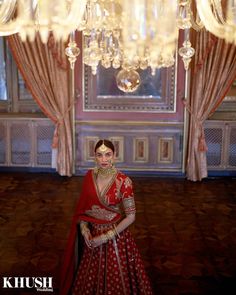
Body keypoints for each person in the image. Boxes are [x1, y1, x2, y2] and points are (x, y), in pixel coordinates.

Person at [60, 139, 153, 295]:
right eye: (99, 155)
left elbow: (131, 217)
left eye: (108, 154)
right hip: (92, 236)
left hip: (115, 238)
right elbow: (83, 210)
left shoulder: (124, 182)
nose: (104, 159)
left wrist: (104, 238)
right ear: (94, 157)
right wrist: (84, 230)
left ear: (114, 156)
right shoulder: (89, 177)